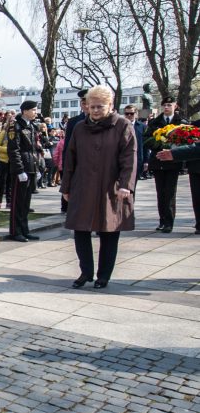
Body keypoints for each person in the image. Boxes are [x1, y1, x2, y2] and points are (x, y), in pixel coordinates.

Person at [61, 86, 137, 289]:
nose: (95, 110)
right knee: (80, 229)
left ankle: (104, 275)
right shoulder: (79, 127)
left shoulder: (122, 125)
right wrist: (66, 187)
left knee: (109, 231)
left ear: (110, 105)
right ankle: (86, 272)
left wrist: (125, 185)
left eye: (100, 106)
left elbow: (129, 158)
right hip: (83, 185)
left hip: (110, 187)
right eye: (91, 106)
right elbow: (70, 158)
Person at [144, 96, 185, 233]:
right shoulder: (155, 122)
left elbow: (186, 141)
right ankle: (162, 220)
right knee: (160, 192)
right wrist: (160, 143)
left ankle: (169, 222)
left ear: (175, 106)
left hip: (173, 162)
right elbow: (147, 139)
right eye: (165, 105)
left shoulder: (181, 122)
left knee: (170, 192)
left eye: (169, 105)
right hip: (158, 160)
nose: (166, 107)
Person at [7, 101, 40, 242]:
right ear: (24, 111)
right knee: (17, 202)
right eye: (33, 109)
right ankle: (16, 231)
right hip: (21, 169)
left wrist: (36, 168)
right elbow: (14, 150)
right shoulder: (16, 126)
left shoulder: (31, 126)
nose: (35, 112)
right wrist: (20, 170)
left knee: (26, 203)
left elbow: (33, 149)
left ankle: (25, 230)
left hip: (30, 166)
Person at [0, 117, 12, 210]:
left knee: (10, 182)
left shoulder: (18, 134)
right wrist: (7, 150)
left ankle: (9, 202)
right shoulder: (4, 133)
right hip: (4, 161)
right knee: (2, 182)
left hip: (13, 161)